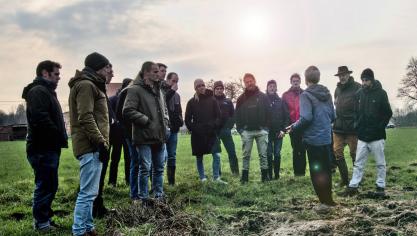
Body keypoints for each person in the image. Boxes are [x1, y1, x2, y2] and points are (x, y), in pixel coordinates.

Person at [69, 52, 112, 235]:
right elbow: (85, 116)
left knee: (91, 192)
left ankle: (88, 227)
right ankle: (79, 231)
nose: (110, 71)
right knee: (87, 193)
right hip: (90, 146)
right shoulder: (87, 85)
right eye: (107, 67)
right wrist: (100, 142)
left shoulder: (91, 84)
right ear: (98, 68)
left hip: (93, 145)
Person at [22, 60, 68, 231]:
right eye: (56, 74)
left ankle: (45, 219)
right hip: (42, 148)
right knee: (45, 185)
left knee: (50, 184)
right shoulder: (38, 91)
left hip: (48, 147)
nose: (59, 77)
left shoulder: (46, 91)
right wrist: (56, 134)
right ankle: (41, 223)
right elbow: (40, 118)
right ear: (45, 73)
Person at [286, 66, 336, 214]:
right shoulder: (327, 94)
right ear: (318, 78)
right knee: (326, 169)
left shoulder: (305, 95)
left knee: (317, 172)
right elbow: (333, 116)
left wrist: (293, 127)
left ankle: (324, 203)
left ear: (306, 80)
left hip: (313, 140)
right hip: (327, 138)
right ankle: (329, 200)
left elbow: (306, 118)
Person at [339, 68, 392, 197]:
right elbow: (356, 112)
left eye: (366, 80)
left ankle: (380, 187)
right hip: (362, 136)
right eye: (362, 80)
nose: (364, 82)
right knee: (358, 163)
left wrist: (380, 127)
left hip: (377, 136)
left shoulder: (381, 94)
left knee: (380, 163)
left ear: (372, 80)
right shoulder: (359, 94)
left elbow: (388, 113)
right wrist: (357, 126)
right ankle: (353, 186)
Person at [123, 61, 169, 204]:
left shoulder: (159, 90)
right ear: (145, 73)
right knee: (145, 168)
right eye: (155, 72)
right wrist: (146, 121)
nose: (158, 74)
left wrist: (166, 123)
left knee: (159, 168)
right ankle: (144, 198)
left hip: (159, 136)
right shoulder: (134, 89)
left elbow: (164, 110)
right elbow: (127, 110)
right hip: (143, 137)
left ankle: (158, 196)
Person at [185, 79, 227, 183]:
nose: (201, 87)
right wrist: (194, 128)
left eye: (203, 85)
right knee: (199, 157)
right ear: (195, 88)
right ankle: (202, 178)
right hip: (198, 135)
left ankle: (216, 177)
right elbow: (187, 119)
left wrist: (214, 125)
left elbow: (219, 116)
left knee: (216, 154)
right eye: (198, 86)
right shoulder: (191, 102)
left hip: (211, 133)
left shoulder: (212, 99)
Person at [235, 73, 270, 183]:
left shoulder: (263, 97)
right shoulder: (240, 99)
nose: (249, 83)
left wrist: (266, 128)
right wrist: (241, 130)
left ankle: (265, 177)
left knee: (263, 155)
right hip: (247, 132)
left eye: (251, 81)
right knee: (246, 155)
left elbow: (269, 113)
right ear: (245, 84)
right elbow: (237, 116)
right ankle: (244, 178)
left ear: (254, 81)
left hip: (261, 131)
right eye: (247, 82)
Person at [332, 66, 361, 187]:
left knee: (355, 154)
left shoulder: (358, 87)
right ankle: (344, 180)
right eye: (340, 75)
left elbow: (362, 106)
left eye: (344, 74)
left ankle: (357, 180)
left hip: (352, 128)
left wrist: (357, 122)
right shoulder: (337, 90)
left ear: (349, 75)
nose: (342, 77)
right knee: (337, 152)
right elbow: (335, 104)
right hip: (338, 127)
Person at [93, 63, 115, 218]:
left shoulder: (102, 89)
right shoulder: (92, 87)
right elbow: (88, 116)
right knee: (95, 176)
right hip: (97, 140)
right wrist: (100, 139)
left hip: (104, 139)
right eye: (109, 70)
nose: (112, 74)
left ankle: (98, 206)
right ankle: (93, 210)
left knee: (100, 174)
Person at [108, 79, 132, 186]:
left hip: (127, 134)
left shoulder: (131, 100)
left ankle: (128, 180)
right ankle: (112, 181)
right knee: (115, 158)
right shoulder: (113, 99)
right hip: (116, 135)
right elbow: (110, 115)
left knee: (129, 158)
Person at [213, 80, 239, 176]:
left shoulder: (228, 101)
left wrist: (229, 126)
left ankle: (235, 172)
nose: (219, 90)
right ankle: (218, 174)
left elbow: (233, 115)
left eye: (221, 89)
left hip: (226, 131)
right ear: (214, 90)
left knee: (232, 152)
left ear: (223, 89)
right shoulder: (211, 101)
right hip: (215, 132)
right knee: (217, 154)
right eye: (217, 89)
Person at [282, 73, 307, 176]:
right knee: (295, 149)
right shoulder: (285, 95)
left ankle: (303, 172)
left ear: (300, 81)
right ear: (291, 82)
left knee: (303, 148)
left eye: (297, 80)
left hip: (303, 125)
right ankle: (297, 172)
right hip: (292, 126)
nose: (295, 82)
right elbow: (284, 111)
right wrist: (287, 126)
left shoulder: (305, 93)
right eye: (294, 81)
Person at [265, 80, 290, 179]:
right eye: (270, 86)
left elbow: (286, 117)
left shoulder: (281, 101)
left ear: (276, 88)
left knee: (277, 154)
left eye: (273, 86)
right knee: (269, 154)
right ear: (267, 88)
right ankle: (269, 175)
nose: (272, 88)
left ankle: (277, 175)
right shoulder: (263, 100)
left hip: (279, 132)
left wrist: (283, 130)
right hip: (267, 132)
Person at [165, 72, 184, 185]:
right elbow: (164, 100)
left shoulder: (177, 96)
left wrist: (180, 120)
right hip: (164, 129)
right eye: (173, 81)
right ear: (167, 80)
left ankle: (171, 181)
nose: (175, 83)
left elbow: (179, 111)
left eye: (177, 81)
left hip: (174, 130)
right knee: (162, 157)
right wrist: (172, 90)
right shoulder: (163, 91)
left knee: (172, 155)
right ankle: (157, 183)